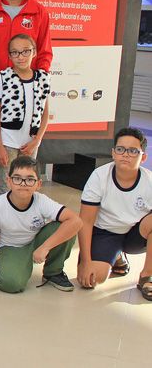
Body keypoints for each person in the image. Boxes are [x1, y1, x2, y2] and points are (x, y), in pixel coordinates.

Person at [0, 155, 81, 293]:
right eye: (17, 178)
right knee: (12, 284)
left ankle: (53, 272)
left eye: (29, 179)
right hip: (10, 248)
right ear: (8, 181)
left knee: (65, 227)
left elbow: (76, 221)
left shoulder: (41, 201)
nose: (23, 183)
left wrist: (45, 247)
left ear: (38, 184)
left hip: (34, 242)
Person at [77, 128, 152, 300]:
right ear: (113, 153)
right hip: (106, 233)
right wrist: (86, 262)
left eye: (133, 151)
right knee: (91, 279)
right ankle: (116, 255)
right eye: (120, 149)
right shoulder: (99, 176)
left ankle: (147, 275)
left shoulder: (149, 181)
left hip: (135, 234)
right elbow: (86, 222)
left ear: (143, 157)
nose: (125, 154)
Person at [0, 34, 50, 197]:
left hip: (30, 143)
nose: (20, 57)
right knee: (5, 186)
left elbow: (45, 113)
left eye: (25, 52)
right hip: (7, 142)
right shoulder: (2, 78)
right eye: (15, 52)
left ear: (34, 52)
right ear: (9, 55)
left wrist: (36, 141)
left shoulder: (43, 79)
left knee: (26, 186)